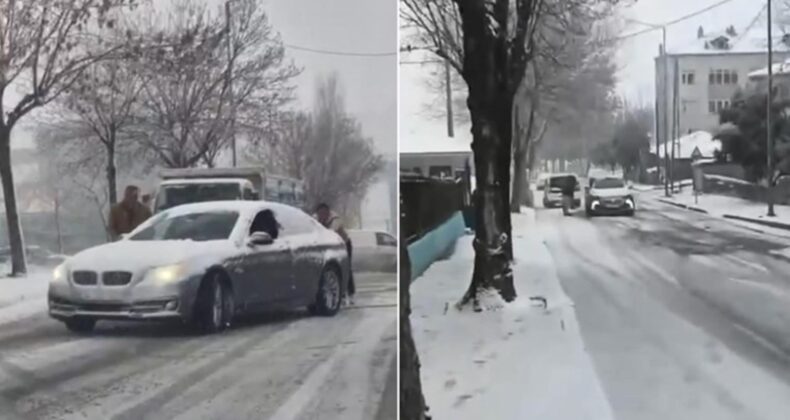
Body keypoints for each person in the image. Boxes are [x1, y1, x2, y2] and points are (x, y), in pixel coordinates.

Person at [314, 203, 355, 305]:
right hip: (328, 245)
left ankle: (350, 293)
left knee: (346, 268)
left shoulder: (335, 219)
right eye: (320, 214)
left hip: (343, 244)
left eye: (324, 213)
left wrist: (321, 224)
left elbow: (331, 232)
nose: (322, 215)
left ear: (328, 212)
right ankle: (339, 293)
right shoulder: (314, 218)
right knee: (332, 269)